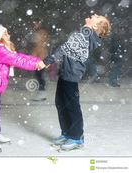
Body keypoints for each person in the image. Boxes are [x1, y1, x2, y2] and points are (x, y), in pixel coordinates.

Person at [38, 14, 111, 150]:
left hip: (71, 73)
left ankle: (76, 137)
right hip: (67, 71)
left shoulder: (85, 33)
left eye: (97, 16)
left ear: (95, 26)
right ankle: (67, 133)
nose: (94, 14)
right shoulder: (85, 32)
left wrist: (46, 61)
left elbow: (65, 48)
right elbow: (69, 49)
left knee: (71, 106)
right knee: (61, 103)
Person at [0, 25, 42, 150]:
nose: (9, 35)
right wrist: (35, 64)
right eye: (5, 33)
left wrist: (37, 60)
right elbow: (16, 60)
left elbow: (19, 56)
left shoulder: (2, 47)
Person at [29, 20, 50, 101]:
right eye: (33, 23)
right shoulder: (40, 32)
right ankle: (41, 93)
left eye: (35, 23)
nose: (34, 25)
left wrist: (33, 55)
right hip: (40, 57)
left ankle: (42, 93)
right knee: (39, 76)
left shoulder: (40, 33)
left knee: (39, 76)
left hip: (40, 58)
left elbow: (38, 46)